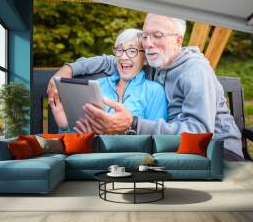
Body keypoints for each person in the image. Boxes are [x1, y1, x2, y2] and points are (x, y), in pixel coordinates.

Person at [48, 13, 243, 160]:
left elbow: (200, 131)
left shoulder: (194, 70)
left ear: (178, 40)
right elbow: (113, 60)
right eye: (145, 36)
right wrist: (67, 70)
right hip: (178, 149)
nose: (149, 44)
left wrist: (133, 124)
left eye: (157, 35)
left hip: (217, 151)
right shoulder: (154, 63)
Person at [50, 28, 167, 133]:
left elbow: (156, 137)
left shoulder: (154, 91)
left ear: (145, 59)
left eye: (132, 51)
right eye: (120, 50)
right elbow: (77, 138)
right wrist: (65, 127)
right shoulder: (98, 86)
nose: (123, 57)